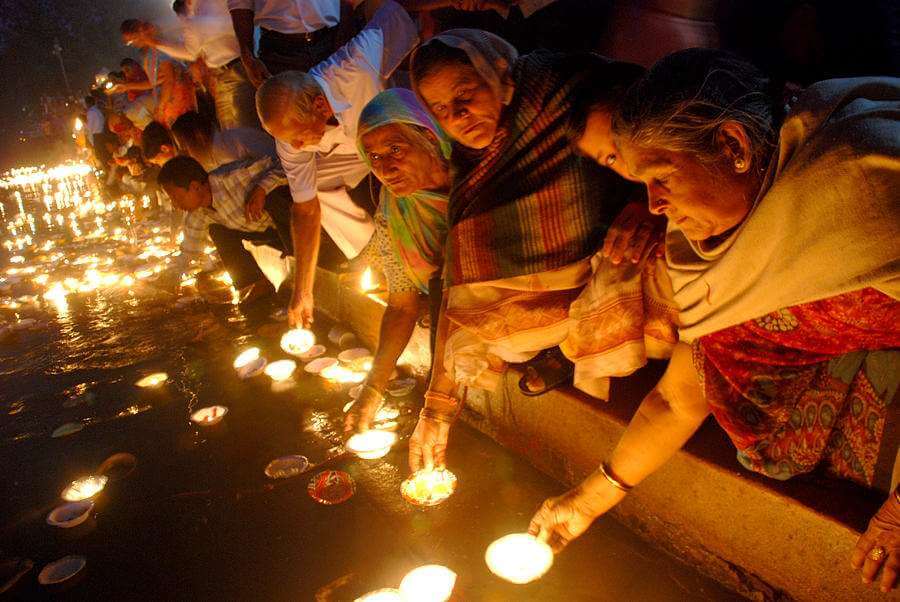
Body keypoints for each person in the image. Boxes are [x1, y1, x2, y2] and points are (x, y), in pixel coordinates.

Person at [528, 49, 900, 592]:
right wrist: (586, 501)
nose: (653, 205)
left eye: (661, 178)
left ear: (733, 146)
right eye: (639, 181)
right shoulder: (698, 243)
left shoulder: (861, 184)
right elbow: (680, 394)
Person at [405, 30, 677, 471]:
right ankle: (559, 345)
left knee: (664, 258)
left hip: (613, 241)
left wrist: (646, 199)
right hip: (555, 296)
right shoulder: (469, 163)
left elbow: (653, 106)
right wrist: (436, 410)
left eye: (465, 94)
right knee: (469, 263)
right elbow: (455, 282)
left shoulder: (553, 85)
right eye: (440, 109)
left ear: (496, 69)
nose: (457, 116)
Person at [255, 0, 418, 328]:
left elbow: (395, 12)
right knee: (314, 189)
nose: (295, 147)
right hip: (351, 148)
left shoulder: (356, 64)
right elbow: (305, 210)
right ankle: (376, 255)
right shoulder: (289, 136)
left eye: (298, 137)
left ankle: (416, 261)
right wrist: (303, 291)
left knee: (399, 185)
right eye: (287, 140)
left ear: (320, 105)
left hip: (399, 130)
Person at [344, 88, 450, 438]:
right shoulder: (394, 208)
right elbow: (402, 305)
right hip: (442, 302)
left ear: (428, 138)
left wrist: (438, 406)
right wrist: (371, 390)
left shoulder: (474, 181)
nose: (385, 168)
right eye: (374, 156)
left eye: (395, 149)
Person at [158, 155, 294, 304]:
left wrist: (262, 188)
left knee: (275, 196)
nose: (175, 205)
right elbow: (190, 248)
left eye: (176, 198)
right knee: (217, 231)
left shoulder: (235, 178)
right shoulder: (198, 213)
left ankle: (301, 268)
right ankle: (253, 284)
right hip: (269, 234)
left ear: (195, 186)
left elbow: (286, 164)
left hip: (294, 225)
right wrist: (171, 276)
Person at [131, 0, 261, 129]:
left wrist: (187, 25)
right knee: (231, 131)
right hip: (219, 76)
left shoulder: (206, 6)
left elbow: (231, 22)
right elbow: (191, 51)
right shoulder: (191, 9)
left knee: (246, 129)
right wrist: (155, 42)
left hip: (236, 68)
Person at [227, 0, 344, 87]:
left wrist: (345, 34)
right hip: (280, 51)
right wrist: (247, 54)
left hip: (332, 40)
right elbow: (240, 3)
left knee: (343, 106)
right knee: (289, 110)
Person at [119, 20, 198, 127]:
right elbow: (154, 82)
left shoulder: (158, 48)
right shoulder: (146, 54)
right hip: (167, 98)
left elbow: (169, 80)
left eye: (132, 40)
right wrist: (126, 86)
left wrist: (161, 107)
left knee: (185, 128)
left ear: (139, 32)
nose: (133, 44)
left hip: (175, 98)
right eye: (128, 43)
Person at [170, 110, 276, 171]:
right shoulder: (213, 161)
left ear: (199, 136)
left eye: (184, 147)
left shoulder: (234, 143)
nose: (185, 155)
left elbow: (275, 162)